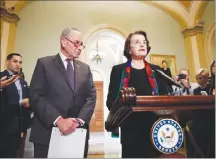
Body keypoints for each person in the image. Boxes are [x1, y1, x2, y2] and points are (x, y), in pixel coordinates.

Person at [29, 27, 96, 158]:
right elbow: (35, 96)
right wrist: (59, 120)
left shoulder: (85, 68)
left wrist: (78, 121)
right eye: (76, 42)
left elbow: (91, 97)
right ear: (63, 41)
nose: (80, 47)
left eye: (81, 44)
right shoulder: (44, 63)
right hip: (47, 133)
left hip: (77, 133)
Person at [106, 30, 169, 158]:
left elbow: (165, 97)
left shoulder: (157, 70)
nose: (142, 45)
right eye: (137, 42)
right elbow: (111, 100)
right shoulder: (118, 70)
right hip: (130, 127)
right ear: (129, 49)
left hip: (155, 126)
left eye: (144, 42)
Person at [0, 53, 31, 158]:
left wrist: (29, 103)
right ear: (7, 62)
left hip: (18, 126)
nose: (18, 64)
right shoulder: (1, 77)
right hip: (3, 125)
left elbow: (27, 100)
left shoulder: (23, 82)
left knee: (13, 153)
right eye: (15, 61)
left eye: (20, 62)